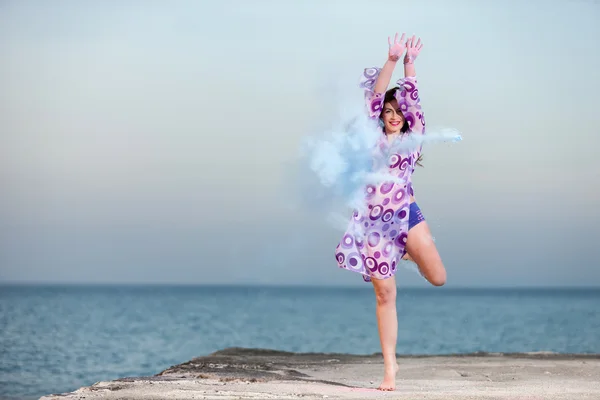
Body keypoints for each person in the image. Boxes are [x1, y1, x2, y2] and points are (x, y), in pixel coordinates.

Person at [334, 33, 447, 391]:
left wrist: (411, 65)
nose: (394, 116)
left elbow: (412, 100)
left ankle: (409, 251)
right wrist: (392, 60)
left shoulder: (415, 138)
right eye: (389, 111)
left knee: (439, 277)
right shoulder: (371, 137)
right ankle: (390, 368)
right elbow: (374, 97)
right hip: (373, 226)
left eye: (399, 112)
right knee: (385, 294)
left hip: (406, 214)